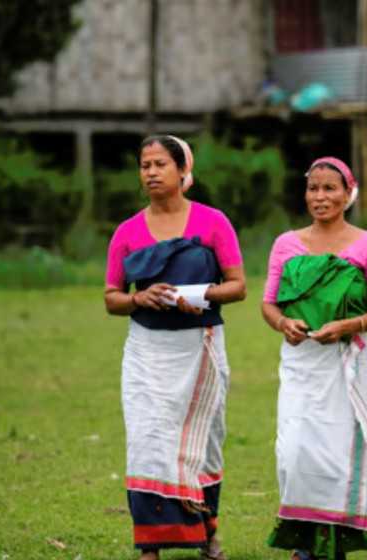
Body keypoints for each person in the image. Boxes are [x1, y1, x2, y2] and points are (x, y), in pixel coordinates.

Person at [103, 135, 247, 560]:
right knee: (148, 437)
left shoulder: (213, 222)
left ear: (183, 170)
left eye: (159, 163)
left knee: (201, 441)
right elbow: (111, 295)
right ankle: (151, 545)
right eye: (144, 164)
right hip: (147, 350)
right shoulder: (127, 231)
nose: (150, 171)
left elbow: (238, 286)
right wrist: (138, 299)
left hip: (200, 346)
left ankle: (207, 533)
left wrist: (199, 294)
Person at [261, 157, 367, 560]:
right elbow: (268, 305)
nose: (320, 197)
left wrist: (348, 326)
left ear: (347, 194)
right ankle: (302, 537)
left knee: (338, 453)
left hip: (347, 365)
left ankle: (331, 544)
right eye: (313, 188)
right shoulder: (286, 244)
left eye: (329, 188)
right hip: (300, 364)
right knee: (294, 451)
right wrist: (283, 322)